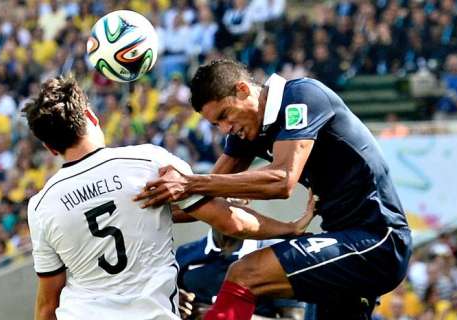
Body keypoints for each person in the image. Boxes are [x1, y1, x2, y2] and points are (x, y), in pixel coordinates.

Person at [135, 59, 412, 319]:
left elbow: (282, 179)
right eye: (215, 124)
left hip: (378, 239)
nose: (225, 129)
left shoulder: (302, 96)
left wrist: (190, 182)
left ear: (243, 90)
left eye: (225, 115)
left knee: (245, 273)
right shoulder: (249, 129)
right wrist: (137, 208)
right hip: (343, 240)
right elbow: (197, 200)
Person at [23, 75, 315, 320]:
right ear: (91, 116)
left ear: (50, 147)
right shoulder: (150, 162)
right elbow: (230, 222)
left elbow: (48, 304)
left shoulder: (41, 205)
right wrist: (288, 227)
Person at [176, 228, 308, 319]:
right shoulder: (184, 253)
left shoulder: (278, 253)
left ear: (247, 199)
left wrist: (225, 316)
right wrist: (174, 302)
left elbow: (295, 318)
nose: (226, 200)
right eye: (218, 193)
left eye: (233, 193)